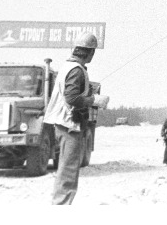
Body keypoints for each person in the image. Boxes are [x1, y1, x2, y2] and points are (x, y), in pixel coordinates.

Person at [43, 31, 110, 205]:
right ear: (90, 52)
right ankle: (61, 206)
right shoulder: (77, 71)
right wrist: (94, 100)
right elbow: (71, 98)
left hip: (62, 123)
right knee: (68, 170)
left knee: (66, 168)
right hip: (69, 125)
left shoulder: (68, 67)